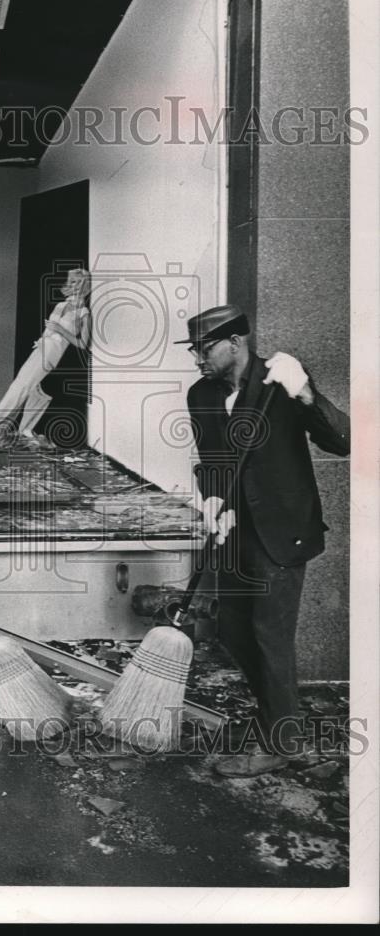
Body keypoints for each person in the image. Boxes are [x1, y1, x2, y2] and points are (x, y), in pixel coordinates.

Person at [179, 304, 349, 778]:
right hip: (234, 533)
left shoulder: (282, 382)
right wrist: (212, 501)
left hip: (282, 531)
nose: (196, 357)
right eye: (194, 349)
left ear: (235, 343)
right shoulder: (201, 395)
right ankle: (280, 718)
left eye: (203, 347)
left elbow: (343, 440)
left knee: (270, 636)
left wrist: (307, 394)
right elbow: (210, 462)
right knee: (233, 630)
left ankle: (280, 742)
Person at [0, 267, 91, 448]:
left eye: (76, 282)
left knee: (19, 390)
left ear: (85, 285)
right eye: (71, 282)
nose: (72, 285)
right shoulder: (61, 305)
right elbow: (49, 330)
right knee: (27, 390)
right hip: (41, 348)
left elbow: (82, 344)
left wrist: (60, 330)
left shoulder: (84, 312)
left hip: (52, 353)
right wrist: (42, 339)